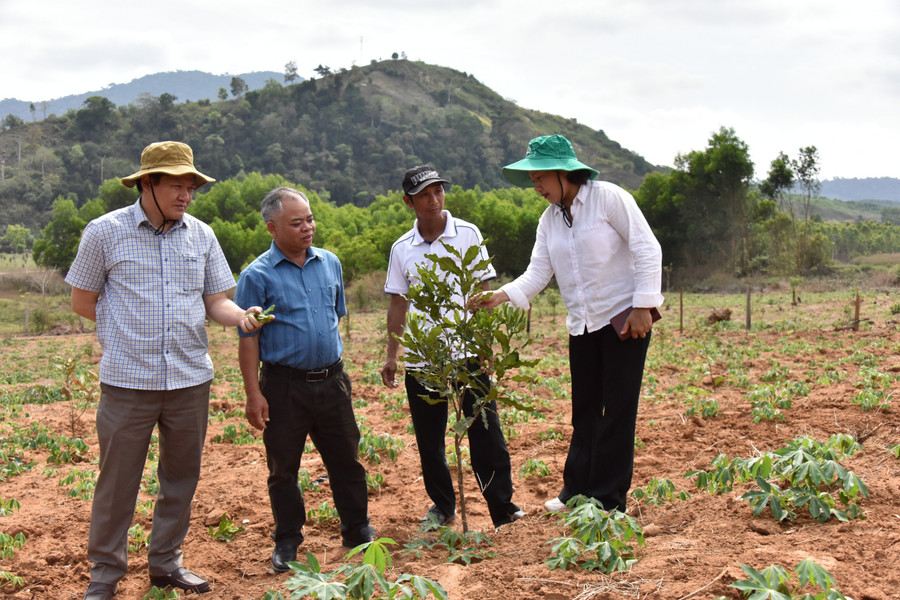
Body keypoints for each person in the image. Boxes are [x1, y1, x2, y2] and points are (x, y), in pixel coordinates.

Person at [66, 141, 268, 600]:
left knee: (180, 478)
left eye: (191, 186)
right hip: (127, 383)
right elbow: (82, 300)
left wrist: (240, 316)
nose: (186, 195)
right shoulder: (105, 232)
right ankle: (105, 575)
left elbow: (216, 299)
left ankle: (166, 563)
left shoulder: (201, 235)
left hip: (189, 380)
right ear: (147, 184)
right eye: (176, 185)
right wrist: (124, 333)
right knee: (117, 483)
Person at [471, 135, 664, 514]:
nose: (537, 187)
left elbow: (646, 247)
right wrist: (501, 296)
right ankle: (576, 491)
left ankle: (608, 501)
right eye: (533, 180)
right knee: (585, 410)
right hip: (582, 325)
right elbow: (539, 270)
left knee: (617, 412)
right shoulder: (550, 220)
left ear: (564, 172)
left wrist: (644, 305)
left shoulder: (609, 198)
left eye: (541, 177)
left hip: (623, 321)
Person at [235, 186, 374, 573]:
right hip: (283, 387)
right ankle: (288, 541)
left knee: (346, 459)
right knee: (284, 468)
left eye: (310, 219)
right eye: (296, 223)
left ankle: (356, 528)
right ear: (272, 228)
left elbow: (335, 316)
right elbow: (249, 340)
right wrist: (253, 394)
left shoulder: (330, 263)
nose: (307, 227)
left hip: (332, 381)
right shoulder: (256, 275)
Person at [380, 165, 525, 528]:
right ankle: (443, 506)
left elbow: (484, 290)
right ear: (408, 201)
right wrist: (391, 355)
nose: (434, 200)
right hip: (423, 357)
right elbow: (399, 302)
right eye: (424, 195)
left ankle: (501, 507)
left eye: (439, 192)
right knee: (430, 440)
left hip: (468, 352)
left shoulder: (467, 234)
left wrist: (486, 345)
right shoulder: (402, 248)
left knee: (486, 431)